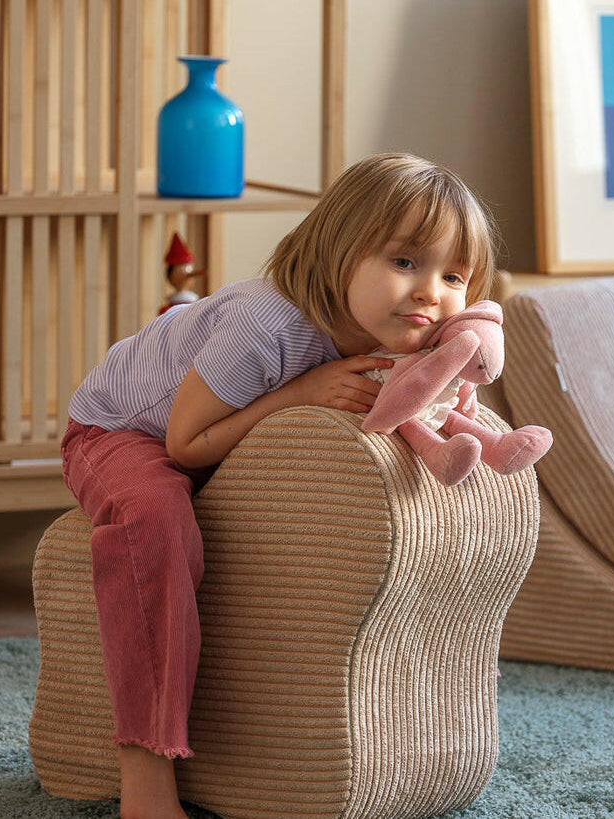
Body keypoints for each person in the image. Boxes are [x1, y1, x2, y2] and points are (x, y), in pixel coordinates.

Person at [61, 152, 498, 819]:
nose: (428, 291)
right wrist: (301, 394)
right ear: (338, 247)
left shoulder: (401, 336)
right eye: (404, 261)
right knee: (155, 519)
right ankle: (144, 769)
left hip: (219, 436)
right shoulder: (266, 327)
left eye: (452, 275)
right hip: (123, 430)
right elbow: (184, 444)